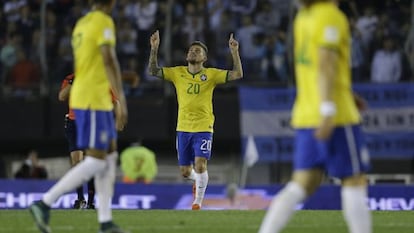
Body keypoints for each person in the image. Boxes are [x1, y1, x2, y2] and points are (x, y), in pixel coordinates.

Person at [258, 1, 372, 233]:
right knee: (354, 180)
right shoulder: (330, 15)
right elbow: (325, 63)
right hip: (336, 115)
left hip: (306, 113)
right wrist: (328, 110)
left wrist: (347, 92)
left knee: (304, 182)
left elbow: (317, 67)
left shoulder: (303, 17)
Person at [29, 0, 128, 233]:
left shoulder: (81, 24)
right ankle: (44, 203)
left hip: (89, 96)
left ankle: (105, 221)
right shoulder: (103, 21)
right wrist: (121, 100)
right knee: (96, 159)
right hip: (93, 98)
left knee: (110, 155)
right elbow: (108, 58)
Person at [148, 30, 243, 210]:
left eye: (198, 51)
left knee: (200, 164)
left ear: (204, 58)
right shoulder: (177, 73)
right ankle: (199, 181)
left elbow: (237, 74)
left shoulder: (211, 74)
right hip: (183, 127)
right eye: (191, 50)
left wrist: (234, 52)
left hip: (204, 127)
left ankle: (197, 202)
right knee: (185, 172)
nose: (193, 52)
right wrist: (154, 49)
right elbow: (152, 71)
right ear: (186, 55)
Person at [58, 74, 95, 209]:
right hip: (73, 123)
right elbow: (62, 97)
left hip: (90, 122)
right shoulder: (70, 79)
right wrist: (72, 83)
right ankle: (80, 198)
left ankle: (91, 201)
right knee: (76, 162)